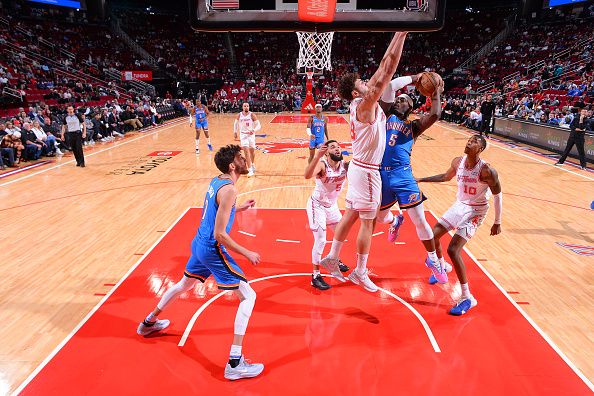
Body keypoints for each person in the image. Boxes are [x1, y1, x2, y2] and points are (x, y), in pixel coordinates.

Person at [137, 144, 264, 380]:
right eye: (240, 157)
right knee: (249, 296)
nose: (245, 159)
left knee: (183, 285)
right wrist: (247, 252)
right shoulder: (230, 191)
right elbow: (220, 235)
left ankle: (148, 322)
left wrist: (239, 208)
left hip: (199, 242)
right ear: (232, 165)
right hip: (211, 248)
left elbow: (217, 209)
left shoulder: (218, 180)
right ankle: (235, 363)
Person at [319, 32, 408, 292]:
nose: (369, 82)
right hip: (368, 171)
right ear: (356, 91)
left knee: (351, 215)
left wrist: (398, 34)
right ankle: (359, 270)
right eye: (363, 82)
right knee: (367, 222)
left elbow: (383, 67)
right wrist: (402, 34)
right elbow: (387, 68)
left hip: (359, 167)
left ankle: (333, 257)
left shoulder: (362, 104)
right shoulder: (365, 105)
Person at [417, 135, 503, 315]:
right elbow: (445, 176)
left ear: (480, 149)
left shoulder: (487, 170)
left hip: (476, 211)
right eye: (469, 140)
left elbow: (497, 195)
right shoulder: (458, 162)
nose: (469, 142)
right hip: (460, 205)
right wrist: (422, 179)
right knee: (432, 237)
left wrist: (497, 221)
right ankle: (442, 267)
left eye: (474, 142)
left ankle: (467, 297)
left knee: (453, 250)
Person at [375, 83, 451, 284]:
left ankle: (433, 260)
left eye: (404, 100)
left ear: (410, 108)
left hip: (403, 175)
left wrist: (436, 93)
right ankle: (394, 222)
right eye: (397, 99)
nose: (399, 101)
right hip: (381, 175)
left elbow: (435, 115)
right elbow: (389, 88)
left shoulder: (414, 126)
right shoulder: (383, 116)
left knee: (420, 220)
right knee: (379, 217)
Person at [304, 140, 350, 290]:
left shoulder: (345, 166)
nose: (337, 149)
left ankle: (333, 259)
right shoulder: (323, 165)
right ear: (327, 152)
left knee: (340, 235)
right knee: (321, 240)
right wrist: (317, 156)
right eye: (332, 147)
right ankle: (315, 276)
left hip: (332, 206)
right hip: (317, 206)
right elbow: (307, 175)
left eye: (338, 146)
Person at [234, 103, 261, 177]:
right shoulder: (239, 115)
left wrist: (254, 130)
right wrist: (235, 132)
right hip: (243, 134)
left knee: (252, 150)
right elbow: (235, 124)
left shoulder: (252, 115)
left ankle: (252, 164)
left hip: (251, 135)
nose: (246, 107)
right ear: (242, 107)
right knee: (246, 151)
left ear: (249, 107)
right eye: (244, 106)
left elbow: (259, 125)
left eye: (247, 106)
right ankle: (250, 170)